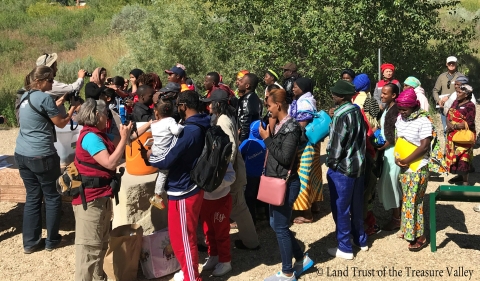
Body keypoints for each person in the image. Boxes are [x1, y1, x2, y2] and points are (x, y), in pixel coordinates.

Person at [15, 65, 80, 254]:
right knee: (52, 196)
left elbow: (39, 115)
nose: (52, 83)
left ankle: (30, 242)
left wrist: (57, 104)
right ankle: (52, 240)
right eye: (50, 80)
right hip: (42, 154)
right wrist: (72, 110)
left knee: (33, 197)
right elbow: (60, 122)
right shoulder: (44, 97)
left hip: (22, 154)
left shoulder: (25, 96)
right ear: (39, 81)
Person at [148, 90, 211, 281]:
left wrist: (150, 157)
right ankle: (186, 270)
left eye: (178, 105)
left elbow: (168, 160)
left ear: (183, 106)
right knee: (178, 235)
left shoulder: (191, 131)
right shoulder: (196, 124)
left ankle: (192, 277)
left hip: (185, 188)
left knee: (185, 238)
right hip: (181, 187)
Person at [73, 99, 133, 280]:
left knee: (99, 246)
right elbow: (110, 162)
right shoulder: (91, 138)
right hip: (90, 201)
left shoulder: (99, 135)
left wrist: (147, 126)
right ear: (97, 115)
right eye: (105, 114)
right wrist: (123, 138)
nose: (107, 117)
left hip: (100, 198)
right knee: (89, 251)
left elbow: (127, 140)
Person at [259, 88, 314, 281]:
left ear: (278, 105)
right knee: (276, 224)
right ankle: (300, 258)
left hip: (286, 183)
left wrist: (267, 138)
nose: (268, 109)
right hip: (276, 180)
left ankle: (288, 272)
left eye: (269, 105)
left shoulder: (291, 127)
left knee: (281, 226)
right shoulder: (282, 125)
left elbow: (284, 157)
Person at [202, 89, 260, 251]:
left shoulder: (223, 121)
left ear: (218, 104)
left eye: (211, 104)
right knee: (239, 208)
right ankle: (250, 240)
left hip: (232, 173)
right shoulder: (224, 118)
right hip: (233, 172)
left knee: (239, 208)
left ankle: (251, 242)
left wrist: (223, 170)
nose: (209, 107)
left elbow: (231, 149)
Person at [394, 88, 442, 251]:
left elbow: (424, 146)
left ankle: (420, 235)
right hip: (404, 166)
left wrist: (407, 160)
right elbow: (399, 138)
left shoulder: (423, 120)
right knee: (407, 199)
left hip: (418, 167)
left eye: (404, 109)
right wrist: (398, 157)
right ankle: (408, 229)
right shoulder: (401, 118)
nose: (401, 112)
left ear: (414, 106)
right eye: (400, 109)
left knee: (414, 201)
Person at [326, 80, 367, 260]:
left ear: (340, 97)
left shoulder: (340, 116)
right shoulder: (356, 110)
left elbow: (336, 144)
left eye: (334, 93)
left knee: (340, 208)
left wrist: (331, 163)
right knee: (357, 205)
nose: (332, 95)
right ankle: (361, 239)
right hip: (358, 166)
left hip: (343, 169)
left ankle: (345, 247)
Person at [288, 77, 323, 224]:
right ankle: (314, 204)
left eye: (295, 86)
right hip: (312, 142)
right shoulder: (308, 99)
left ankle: (306, 213)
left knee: (303, 175)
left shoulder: (303, 102)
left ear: (303, 88)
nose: (293, 89)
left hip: (305, 144)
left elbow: (300, 125)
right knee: (313, 172)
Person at [18, 52, 86, 119]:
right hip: (54, 123)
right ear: (50, 68)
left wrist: (63, 98)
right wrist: (81, 77)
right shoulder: (49, 84)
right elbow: (73, 89)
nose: (57, 69)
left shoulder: (33, 89)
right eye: (55, 66)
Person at [200, 163, 235, 277]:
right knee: (208, 231)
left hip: (221, 200)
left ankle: (225, 261)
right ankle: (213, 255)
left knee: (221, 233)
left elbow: (231, 176)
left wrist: (216, 184)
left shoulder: (221, 155)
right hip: (204, 200)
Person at [149, 97, 184, 210]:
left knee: (161, 173)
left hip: (156, 151)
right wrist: (182, 126)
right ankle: (157, 195)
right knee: (163, 174)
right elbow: (176, 131)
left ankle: (159, 193)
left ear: (157, 112)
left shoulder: (154, 124)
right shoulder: (170, 121)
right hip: (165, 153)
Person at [376, 83, 402, 231]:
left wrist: (381, 146)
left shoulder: (396, 110)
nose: (382, 96)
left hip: (392, 152)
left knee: (392, 183)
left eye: (385, 94)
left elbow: (394, 135)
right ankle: (398, 214)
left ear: (394, 95)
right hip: (387, 150)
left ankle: (396, 218)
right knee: (389, 183)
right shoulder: (388, 108)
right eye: (382, 93)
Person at [445, 85, 475, 185]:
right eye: (457, 92)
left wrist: (454, 127)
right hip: (453, 135)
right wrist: (448, 124)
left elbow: (469, 122)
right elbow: (448, 114)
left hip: (463, 136)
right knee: (455, 156)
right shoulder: (455, 102)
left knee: (463, 158)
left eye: (459, 93)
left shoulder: (470, 106)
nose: (457, 94)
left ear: (466, 95)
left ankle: (465, 181)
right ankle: (459, 176)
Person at [239, 121, 267, 225]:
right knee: (261, 196)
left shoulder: (248, 142)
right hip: (262, 175)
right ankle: (264, 215)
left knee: (249, 198)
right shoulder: (265, 142)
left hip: (250, 175)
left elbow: (238, 152)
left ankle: (252, 221)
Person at [433, 56, 465, 133]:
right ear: (446, 64)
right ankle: (447, 144)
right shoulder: (442, 76)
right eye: (449, 63)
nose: (451, 65)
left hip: (457, 107)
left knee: (456, 129)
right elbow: (435, 90)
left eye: (453, 63)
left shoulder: (461, 77)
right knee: (446, 129)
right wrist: (438, 101)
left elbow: (464, 92)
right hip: (444, 107)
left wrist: (449, 97)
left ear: (456, 64)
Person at [237, 73, 262, 142]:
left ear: (247, 86)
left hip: (245, 138)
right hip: (253, 136)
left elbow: (245, 123)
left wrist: (241, 141)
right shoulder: (256, 98)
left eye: (241, 81)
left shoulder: (246, 101)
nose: (238, 83)